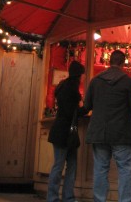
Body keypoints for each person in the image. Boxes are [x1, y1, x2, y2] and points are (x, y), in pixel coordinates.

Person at [83, 49, 131, 202]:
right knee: (125, 171)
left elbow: (86, 105)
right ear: (123, 63)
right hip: (121, 133)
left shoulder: (95, 81)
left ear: (109, 62)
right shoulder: (128, 82)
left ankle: (99, 199)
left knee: (100, 170)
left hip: (99, 132)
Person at [47, 60, 86, 202]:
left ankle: (54, 197)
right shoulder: (72, 89)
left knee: (59, 165)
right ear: (79, 75)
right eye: (82, 75)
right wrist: (87, 107)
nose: (83, 78)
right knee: (68, 165)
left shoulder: (63, 85)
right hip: (67, 133)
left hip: (60, 131)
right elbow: (72, 112)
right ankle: (64, 197)